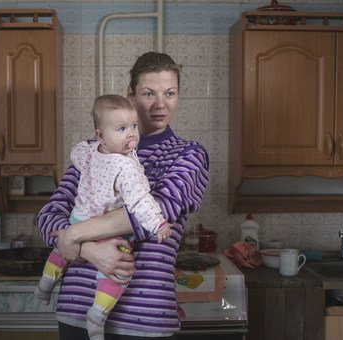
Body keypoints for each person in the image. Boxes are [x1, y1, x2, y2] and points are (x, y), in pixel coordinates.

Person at [36, 52, 209, 340]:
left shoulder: (188, 154)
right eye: (148, 93)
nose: (160, 104)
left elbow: (157, 212)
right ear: (130, 96)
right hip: (77, 311)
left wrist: (73, 235)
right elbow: (48, 217)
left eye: (170, 93)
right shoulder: (95, 151)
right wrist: (90, 250)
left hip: (146, 317)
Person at [34, 94, 173, 339]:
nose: (131, 134)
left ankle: (44, 286)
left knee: (60, 250)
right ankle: (97, 314)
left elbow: (76, 153)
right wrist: (158, 223)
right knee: (119, 272)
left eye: (133, 127)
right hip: (107, 232)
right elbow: (141, 202)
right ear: (101, 135)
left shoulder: (87, 152)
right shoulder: (126, 167)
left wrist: (73, 237)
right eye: (122, 129)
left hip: (79, 218)